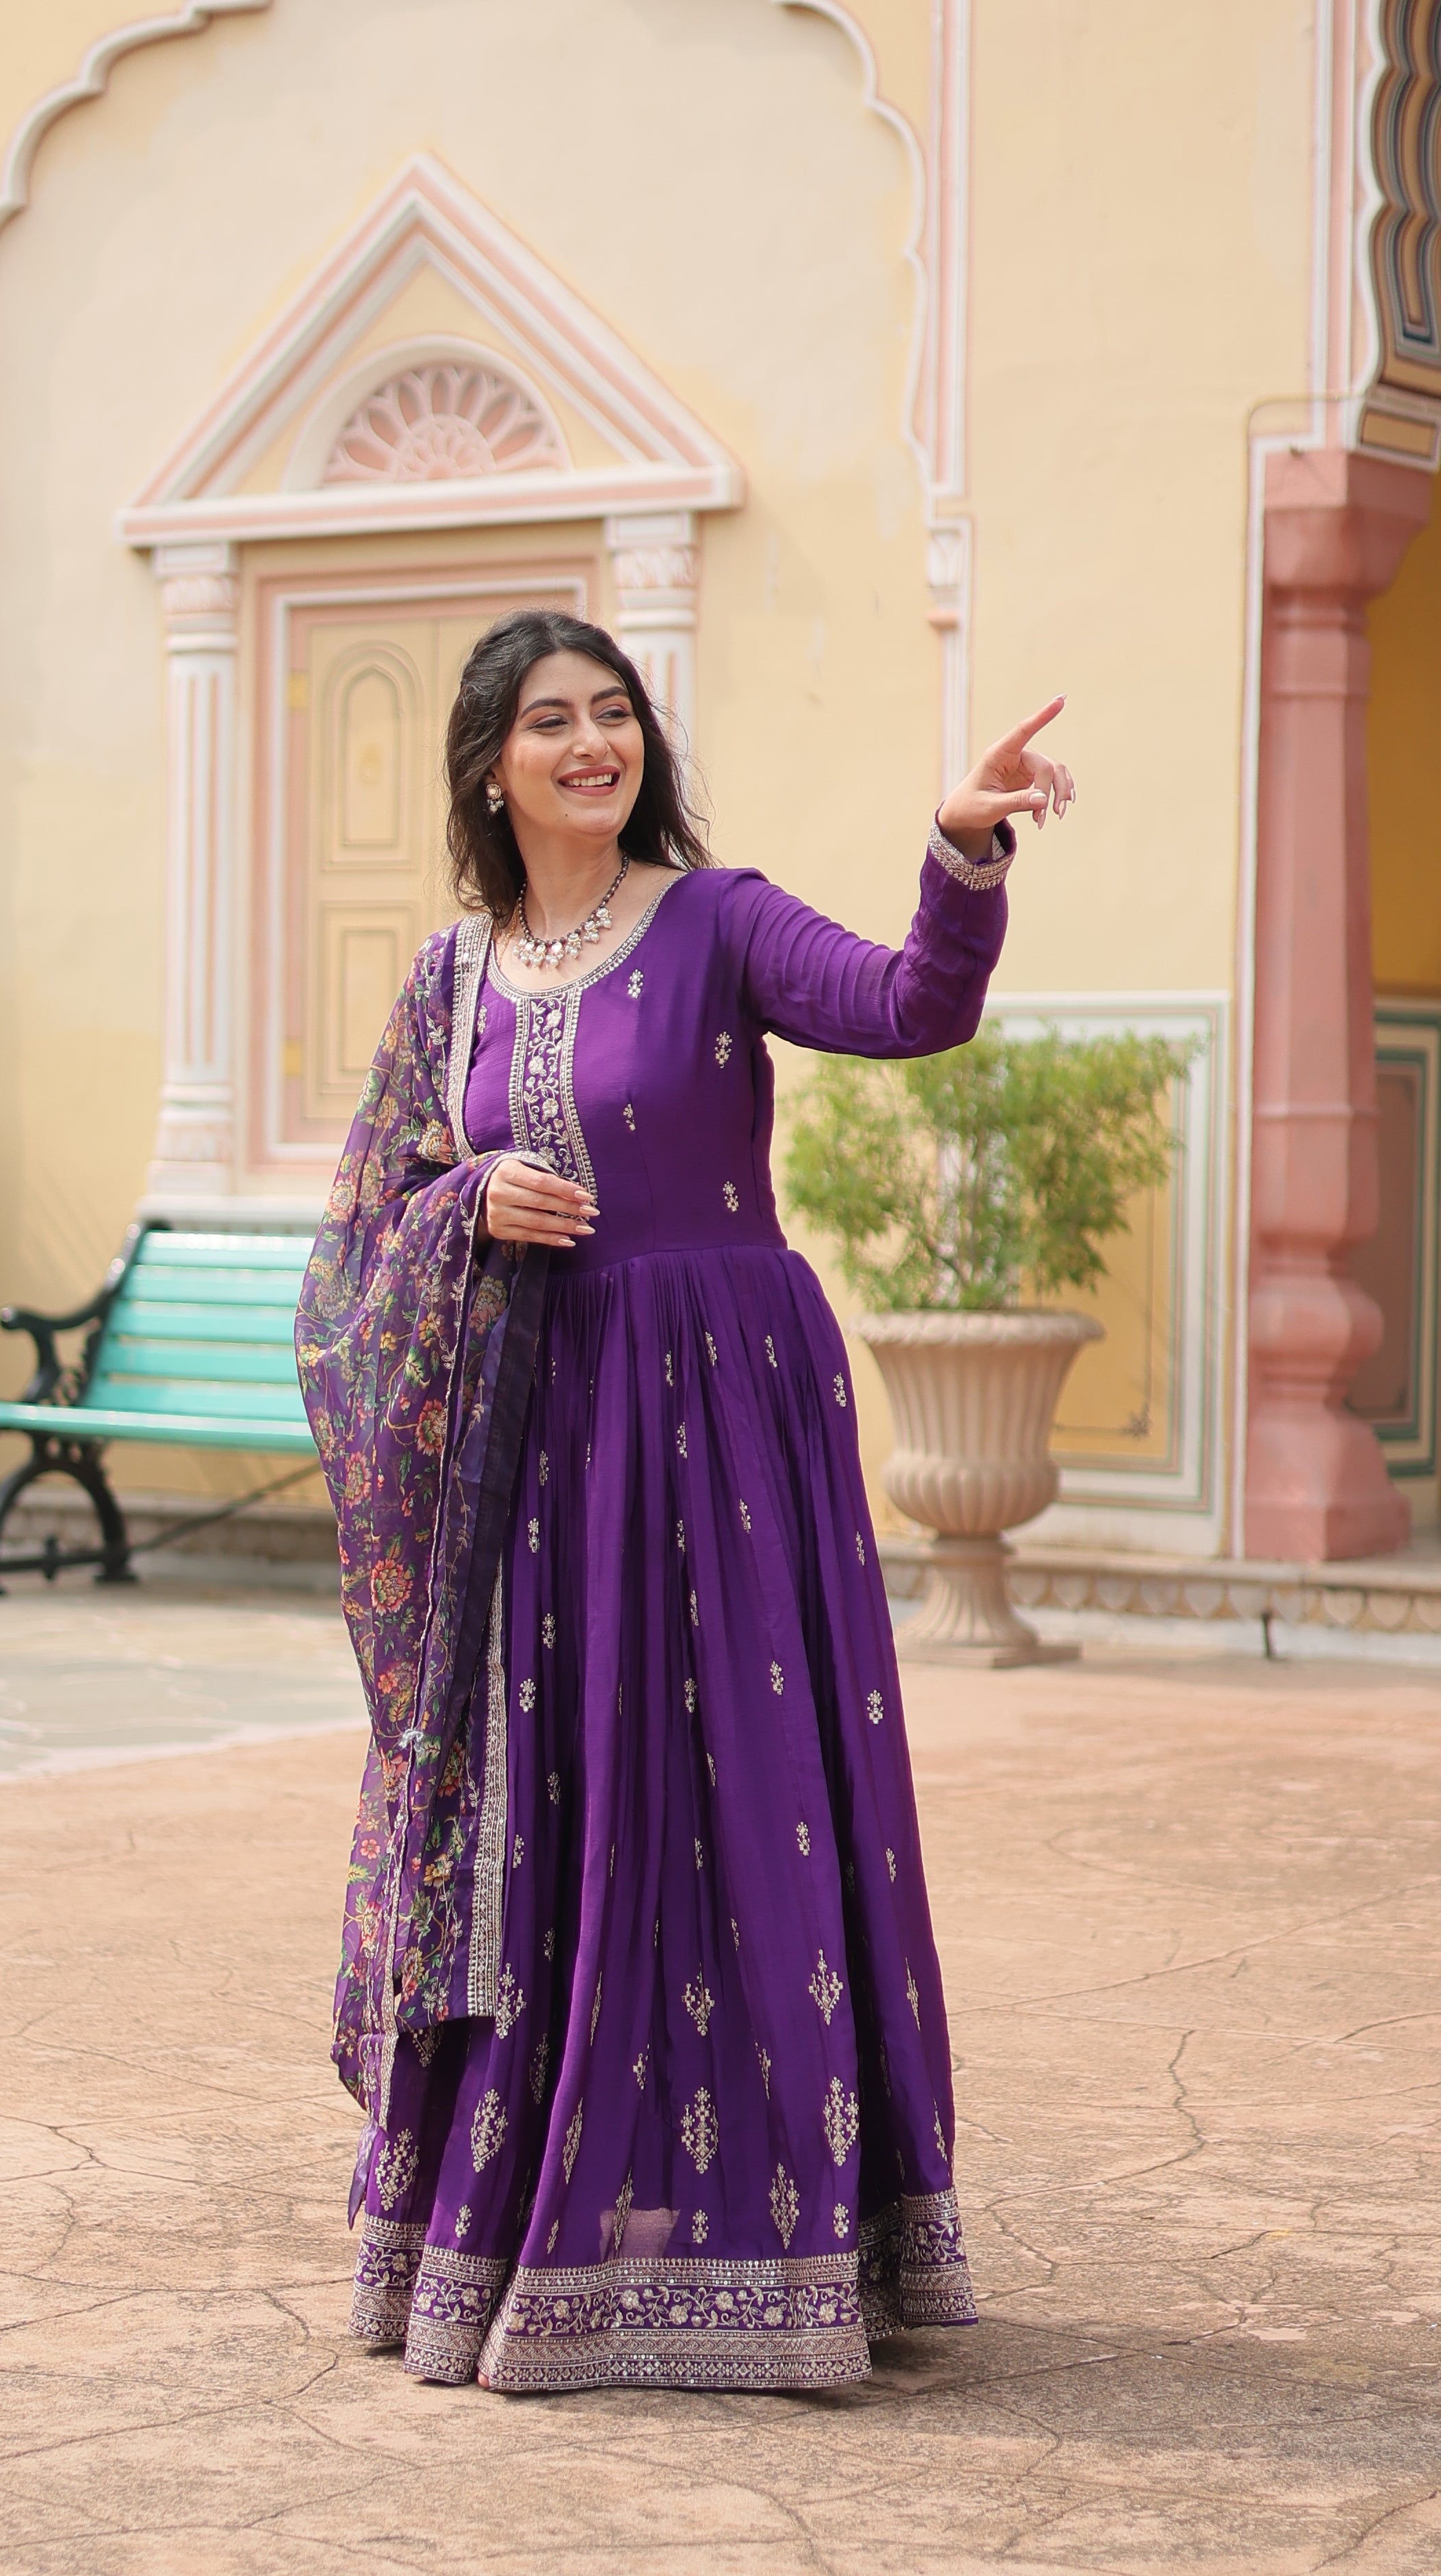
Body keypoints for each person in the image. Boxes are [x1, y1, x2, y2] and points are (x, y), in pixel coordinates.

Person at [295, 608, 1074, 2392]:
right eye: (552, 722)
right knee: (559, 1803)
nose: (594, 744)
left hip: (725, 1422)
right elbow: (367, 1232)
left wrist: (963, 847)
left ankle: (790, 2240)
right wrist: (465, 1199)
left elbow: (909, 1007)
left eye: (616, 713)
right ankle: (526, 2235)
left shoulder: (717, 920)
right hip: (539, 1438)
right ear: (491, 767)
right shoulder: (451, 980)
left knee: (744, 1792)